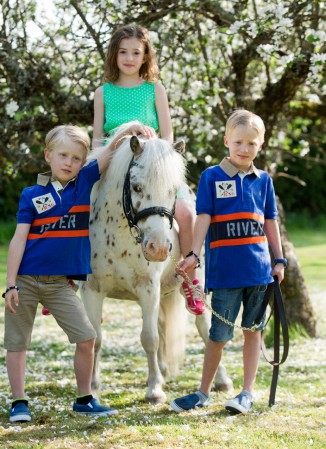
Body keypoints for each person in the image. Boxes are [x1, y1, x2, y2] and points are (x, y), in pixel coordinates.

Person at [3, 122, 149, 423]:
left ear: (84, 162)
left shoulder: (85, 182)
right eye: (63, 155)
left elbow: (109, 151)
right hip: (26, 281)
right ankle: (19, 402)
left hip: (60, 285)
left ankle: (84, 399)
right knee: (18, 343)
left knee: (86, 338)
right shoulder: (31, 194)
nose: (69, 163)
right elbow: (18, 240)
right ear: (48, 156)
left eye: (76, 158)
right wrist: (10, 284)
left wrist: (131, 127)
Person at [170, 109, 287, 415]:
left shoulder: (264, 181)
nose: (244, 148)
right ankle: (203, 392)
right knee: (218, 336)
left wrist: (279, 259)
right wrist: (193, 254)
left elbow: (270, 222)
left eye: (251, 143)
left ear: (260, 145)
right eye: (238, 142)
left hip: (260, 273)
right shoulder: (212, 177)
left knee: (253, 331)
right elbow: (204, 217)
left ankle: (247, 393)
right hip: (225, 274)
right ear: (226, 141)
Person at [92, 23, 204, 316]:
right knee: (78, 203)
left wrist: (154, 150)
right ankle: (67, 274)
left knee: (186, 213)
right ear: (114, 55)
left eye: (136, 52)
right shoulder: (103, 93)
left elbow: (168, 136)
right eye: (123, 52)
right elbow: (96, 138)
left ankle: (190, 280)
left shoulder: (155, 89)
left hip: (153, 167)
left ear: (145, 56)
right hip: (113, 167)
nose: (129, 58)